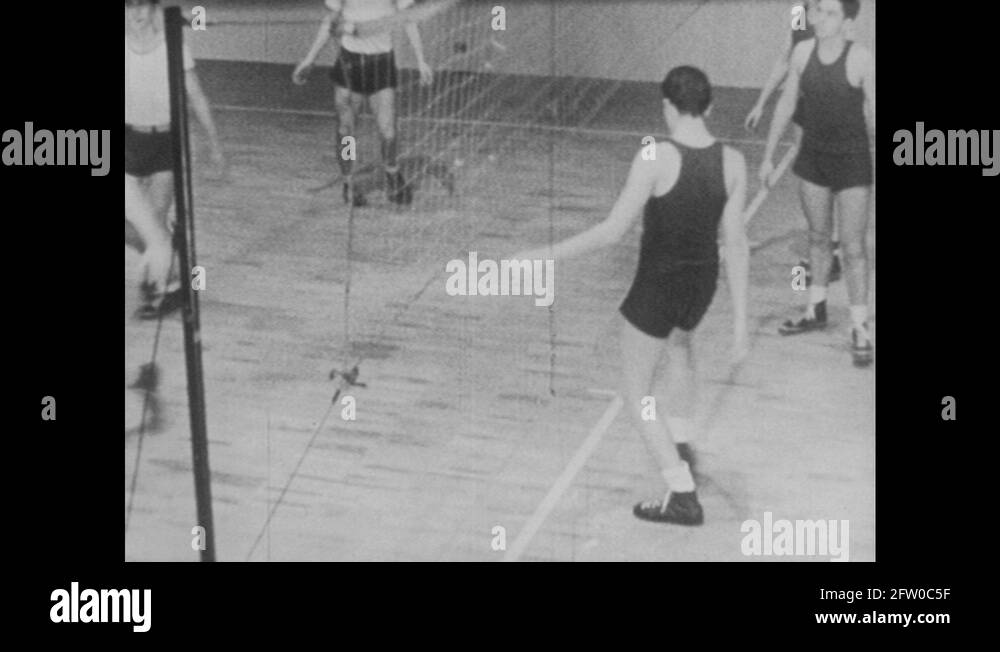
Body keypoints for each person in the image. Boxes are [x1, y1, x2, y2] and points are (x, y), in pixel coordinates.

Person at [516, 67, 749, 525]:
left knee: (636, 392)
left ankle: (682, 493)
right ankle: (680, 440)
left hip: (656, 288)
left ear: (666, 106)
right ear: (710, 107)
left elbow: (611, 232)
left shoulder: (655, 157)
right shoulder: (734, 162)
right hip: (701, 285)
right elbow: (736, 245)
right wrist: (741, 322)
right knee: (681, 348)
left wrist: (543, 255)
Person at [758, 0, 873, 367]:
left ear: (848, 21)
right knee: (818, 239)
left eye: (830, 13)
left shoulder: (862, 59)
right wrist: (768, 154)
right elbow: (788, 102)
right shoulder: (802, 53)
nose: (819, 19)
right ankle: (815, 309)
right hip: (813, 159)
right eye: (817, 12)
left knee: (853, 249)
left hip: (853, 162)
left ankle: (859, 325)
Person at [125, 0, 224, 319]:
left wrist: (214, 143)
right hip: (129, 140)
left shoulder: (172, 45)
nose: (136, 14)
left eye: (142, 6)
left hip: (167, 143)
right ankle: (171, 263)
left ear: (154, 9)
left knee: (153, 219)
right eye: (128, 6)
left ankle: (168, 287)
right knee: (142, 230)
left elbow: (195, 95)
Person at [293, 0, 433, 207]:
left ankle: (392, 174)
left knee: (388, 130)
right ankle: (348, 182)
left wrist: (421, 60)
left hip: (381, 64)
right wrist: (309, 59)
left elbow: (408, 20)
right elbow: (330, 22)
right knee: (346, 130)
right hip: (350, 64)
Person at [746, 0, 842, 286]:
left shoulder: (831, 12)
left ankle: (829, 252)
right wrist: (761, 102)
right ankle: (828, 248)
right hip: (803, 105)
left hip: (825, 105)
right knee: (810, 176)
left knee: (820, 178)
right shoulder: (799, 13)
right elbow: (785, 59)